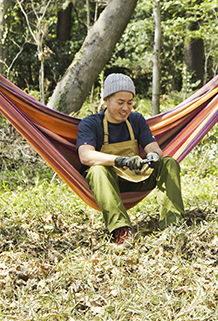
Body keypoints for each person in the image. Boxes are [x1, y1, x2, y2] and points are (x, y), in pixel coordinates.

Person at [77, 73, 184, 246]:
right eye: (120, 102)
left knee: (169, 162)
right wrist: (120, 160)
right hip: (107, 183)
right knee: (97, 169)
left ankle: (173, 225)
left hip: (135, 178)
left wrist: (154, 156)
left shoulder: (136, 120)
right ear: (106, 100)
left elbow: (154, 147)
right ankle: (121, 230)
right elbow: (86, 155)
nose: (125, 108)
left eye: (130, 102)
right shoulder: (90, 123)